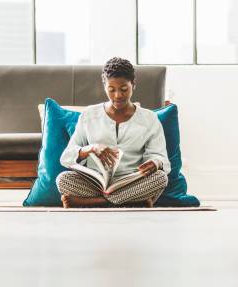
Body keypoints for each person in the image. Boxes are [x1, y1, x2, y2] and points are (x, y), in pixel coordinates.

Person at [57, 57, 170, 208]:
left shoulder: (149, 119)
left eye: (124, 89)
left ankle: (92, 203)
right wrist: (91, 148)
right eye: (111, 90)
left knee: (160, 178)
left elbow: (160, 156)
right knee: (63, 180)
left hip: (131, 182)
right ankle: (135, 202)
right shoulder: (89, 115)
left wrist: (155, 163)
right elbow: (67, 156)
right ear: (104, 86)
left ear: (133, 85)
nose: (118, 95)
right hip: (95, 183)